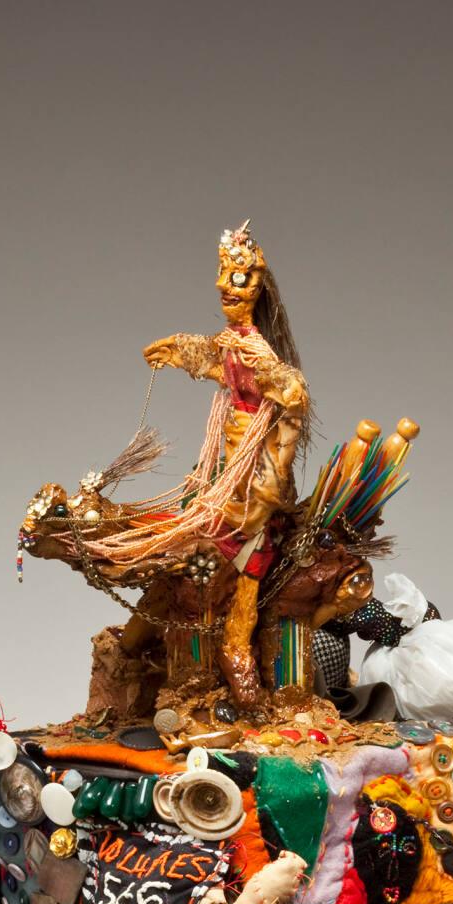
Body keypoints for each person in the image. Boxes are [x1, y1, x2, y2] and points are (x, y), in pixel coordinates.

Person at [140, 222, 310, 708]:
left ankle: (238, 648)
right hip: (228, 462)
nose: (223, 288)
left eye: (235, 278)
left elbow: (293, 394)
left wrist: (268, 477)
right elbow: (215, 359)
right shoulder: (233, 343)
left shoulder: (257, 351)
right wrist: (178, 350)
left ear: (256, 288)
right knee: (199, 518)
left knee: (250, 549)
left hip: (255, 467)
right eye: (222, 276)